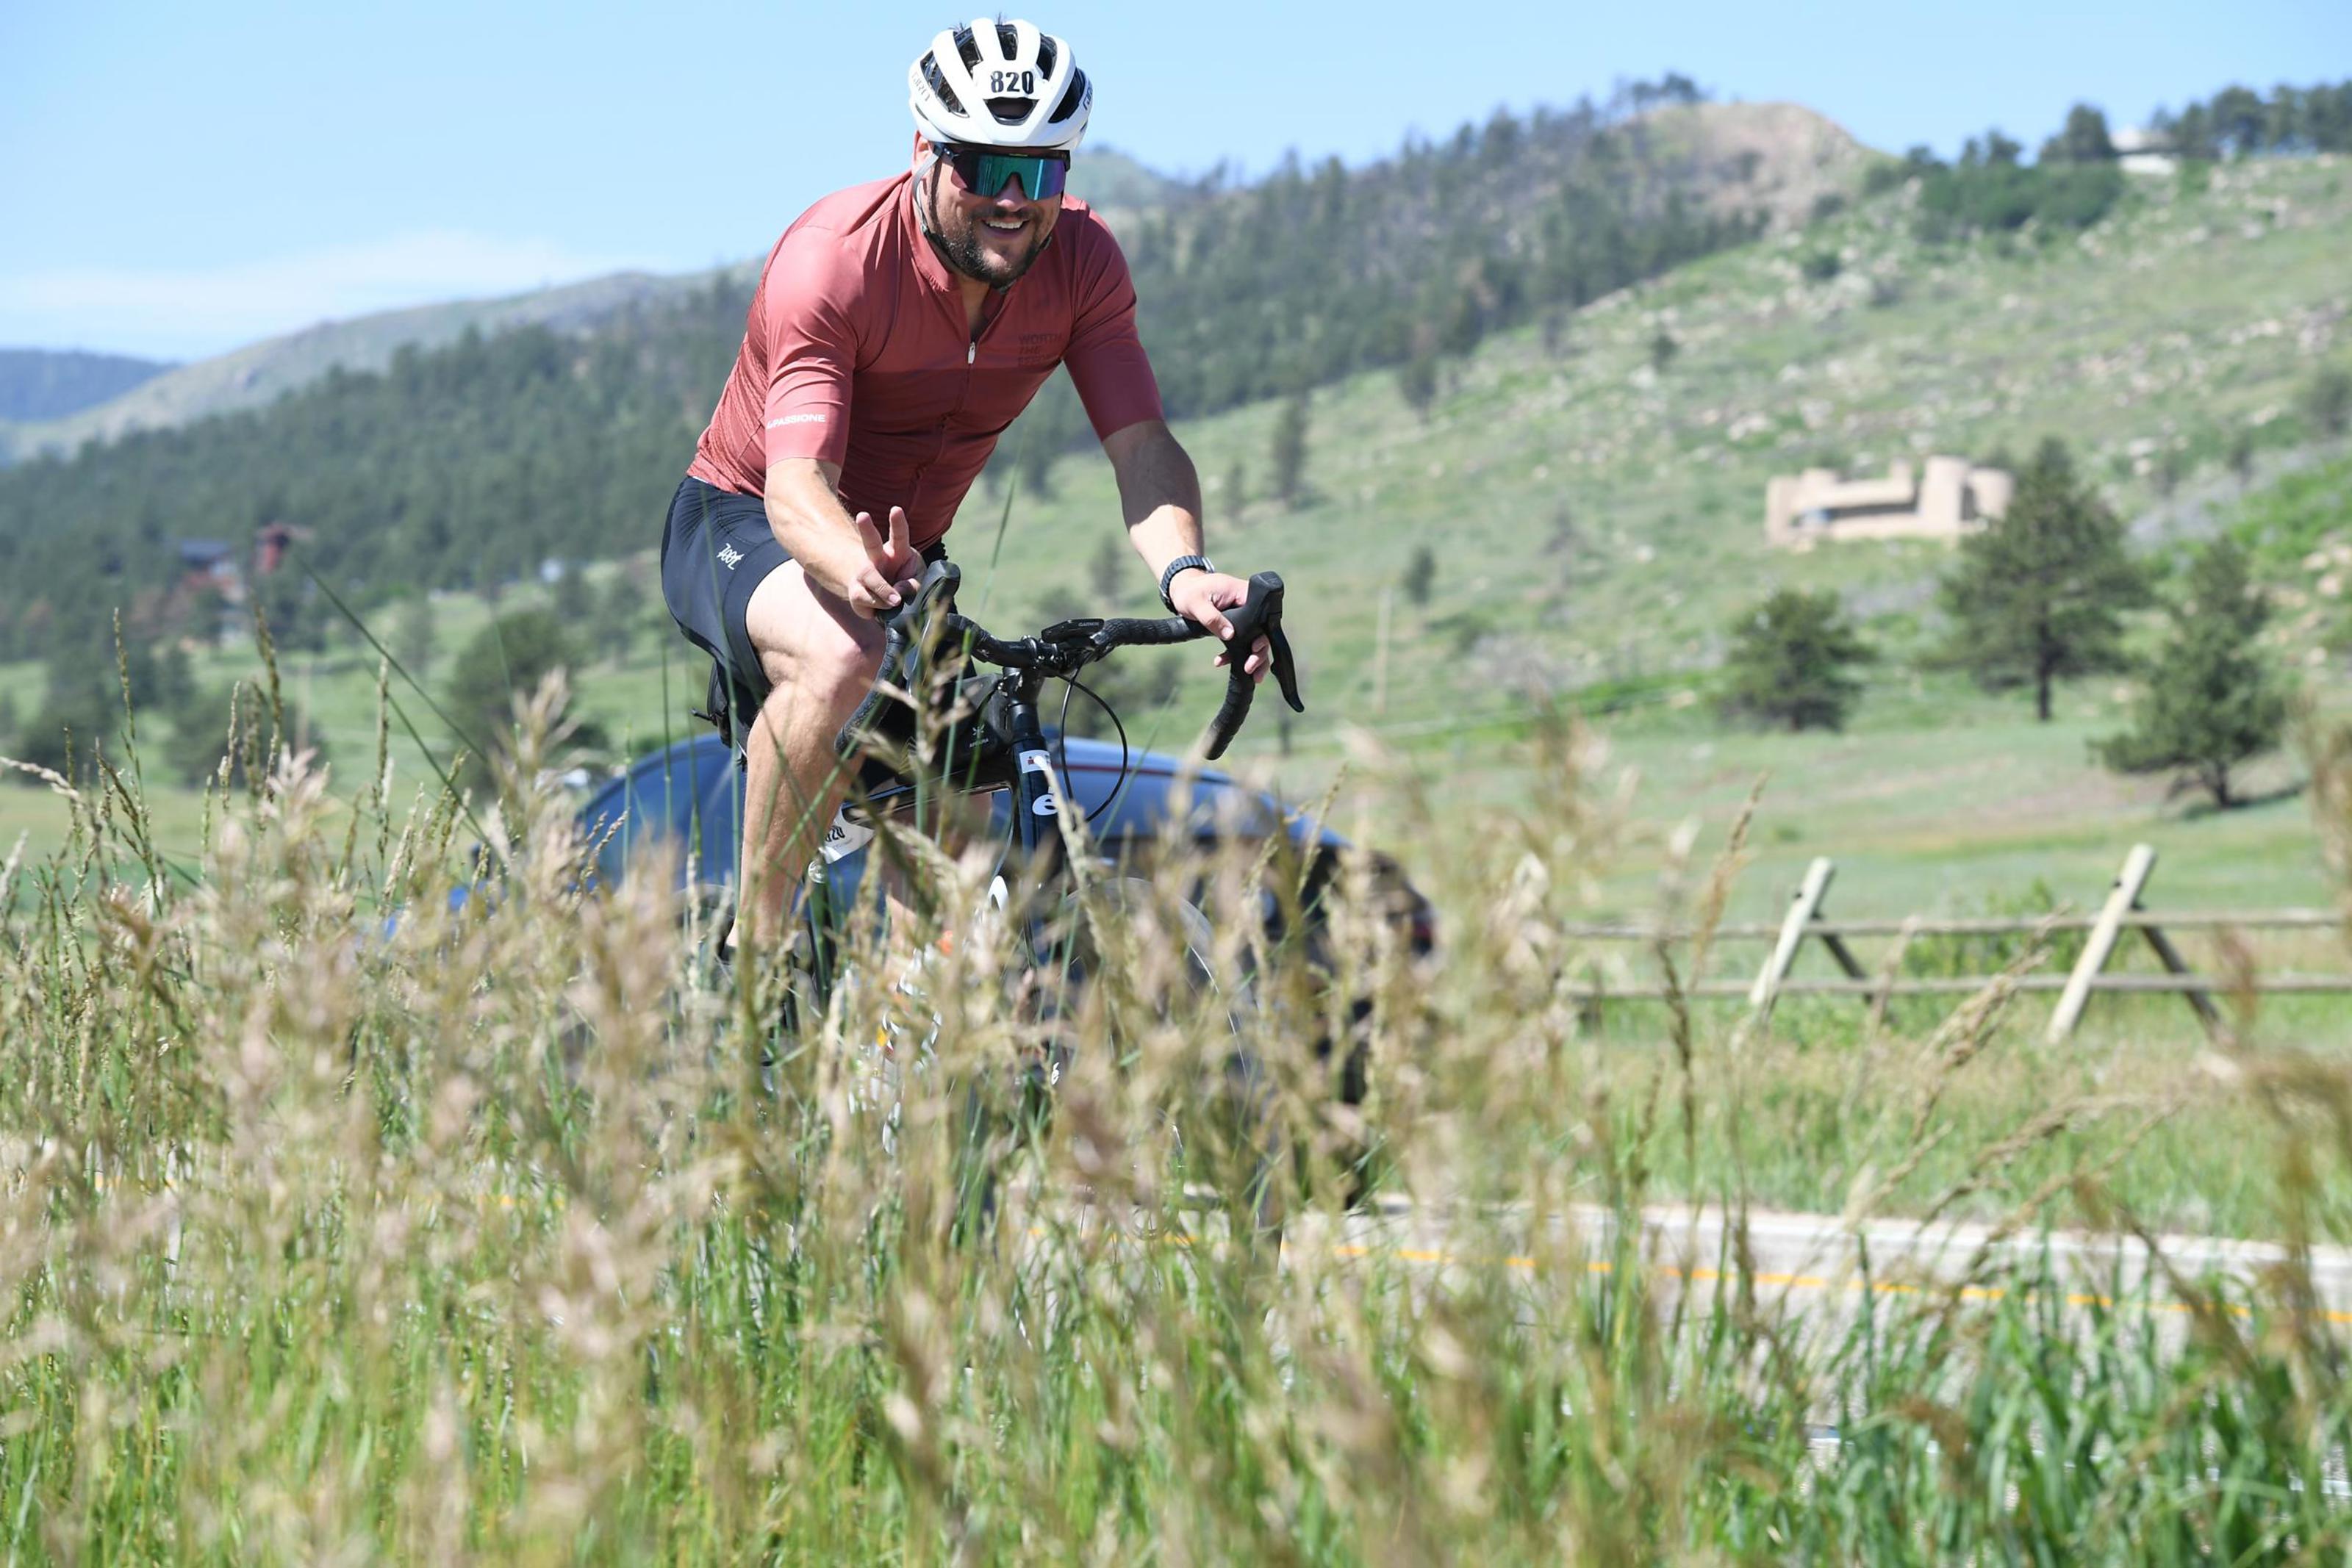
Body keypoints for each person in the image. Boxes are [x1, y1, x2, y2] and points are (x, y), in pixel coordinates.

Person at [662, 18, 1273, 954]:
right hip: (748, 520)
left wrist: (1187, 572)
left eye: (1041, 171)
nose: (1013, 199)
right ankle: (759, 956)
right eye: (986, 166)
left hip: (909, 557)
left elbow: (1140, 441)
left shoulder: (1082, 262)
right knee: (840, 654)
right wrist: (852, 570)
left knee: (960, 823)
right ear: (925, 152)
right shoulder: (835, 262)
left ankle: (904, 1056)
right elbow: (795, 486)